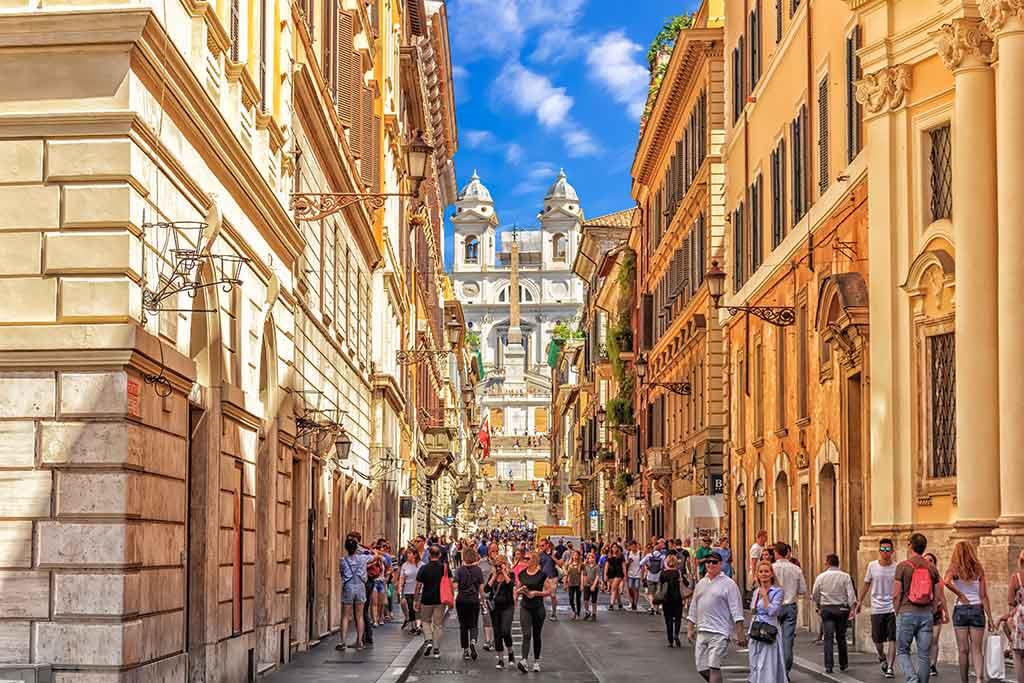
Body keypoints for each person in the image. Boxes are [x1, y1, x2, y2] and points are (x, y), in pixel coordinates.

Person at [686, 550, 746, 683]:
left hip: (720, 632)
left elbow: (736, 610)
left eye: (714, 562)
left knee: (714, 666)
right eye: (708, 562)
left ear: (720, 564)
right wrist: (690, 628)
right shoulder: (701, 583)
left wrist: (740, 633)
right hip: (702, 630)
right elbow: (694, 607)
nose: (710, 564)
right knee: (701, 668)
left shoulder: (729, 584)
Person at [893, 532, 942, 683]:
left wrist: (897, 611)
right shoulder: (932, 568)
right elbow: (937, 593)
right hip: (926, 614)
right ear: (924, 547)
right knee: (924, 654)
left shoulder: (902, 566)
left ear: (910, 545)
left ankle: (912, 679)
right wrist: (932, 609)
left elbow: (896, 593)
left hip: (906, 612)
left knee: (902, 650)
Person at [943, 540, 994, 683]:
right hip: (977, 608)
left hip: (960, 609)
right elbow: (984, 596)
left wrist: (960, 595)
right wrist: (990, 619)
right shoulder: (978, 569)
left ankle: (964, 681)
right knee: (977, 649)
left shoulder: (954, 568)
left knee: (963, 650)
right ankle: (979, 679)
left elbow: (946, 582)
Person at [856, 537, 899, 678]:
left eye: (887, 549)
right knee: (877, 639)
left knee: (893, 638)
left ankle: (891, 667)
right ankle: (881, 657)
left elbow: (900, 587)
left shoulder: (896, 567)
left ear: (892, 551)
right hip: (877, 608)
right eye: (882, 549)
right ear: (879, 550)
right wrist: (859, 602)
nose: (885, 552)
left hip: (891, 608)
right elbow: (866, 584)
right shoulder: (872, 566)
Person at [812, 553, 858, 673]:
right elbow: (851, 595)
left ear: (827, 563)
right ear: (838, 563)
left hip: (827, 609)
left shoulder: (821, 577)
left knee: (828, 637)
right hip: (841, 609)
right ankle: (843, 663)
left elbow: (815, 593)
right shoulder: (845, 576)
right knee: (841, 636)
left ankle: (829, 665)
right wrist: (852, 609)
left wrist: (818, 605)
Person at [748, 560, 787, 682]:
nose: (763, 574)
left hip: (769, 630)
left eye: (766, 571)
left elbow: (773, 611)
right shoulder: (756, 592)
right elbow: (753, 611)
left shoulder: (778, 591)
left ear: (771, 574)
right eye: (761, 571)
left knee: (767, 663)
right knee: (755, 662)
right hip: (756, 630)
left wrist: (765, 596)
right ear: (757, 574)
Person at [771, 541, 807, 675]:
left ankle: (774, 670)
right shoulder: (796, 569)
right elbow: (803, 590)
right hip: (790, 606)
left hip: (774, 606)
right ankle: (785, 671)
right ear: (787, 553)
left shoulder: (771, 568)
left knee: (772, 638)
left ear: (776, 553)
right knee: (788, 640)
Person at [516, 550, 551, 673]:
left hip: (538, 608)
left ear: (535, 560)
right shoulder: (522, 574)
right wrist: (522, 590)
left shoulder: (542, 575)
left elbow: (549, 591)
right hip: (525, 607)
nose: (525, 560)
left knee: (536, 635)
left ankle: (536, 662)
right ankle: (524, 660)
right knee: (526, 634)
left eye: (528, 558)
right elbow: (517, 588)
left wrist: (536, 593)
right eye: (524, 558)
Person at [415, 545, 447, 659]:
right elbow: (450, 584)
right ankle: (436, 648)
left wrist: (416, 599)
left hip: (426, 599)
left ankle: (428, 640)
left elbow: (418, 585)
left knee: (425, 621)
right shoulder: (444, 568)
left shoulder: (424, 568)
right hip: (440, 599)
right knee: (438, 624)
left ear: (429, 555)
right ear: (439, 555)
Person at [339, 537, 371, 651]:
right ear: (356, 547)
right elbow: (376, 556)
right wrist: (363, 549)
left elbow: (342, 574)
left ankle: (342, 642)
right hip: (360, 587)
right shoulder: (363, 559)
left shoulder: (343, 560)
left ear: (346, 548)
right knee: (360, 616)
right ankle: (360, 642)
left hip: (348, 587)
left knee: (345, 616)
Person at [997, 549, 1024, 683]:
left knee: (1018, 655)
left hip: (1021, 618)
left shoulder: (1016, 577)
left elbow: (1011, 601)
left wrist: (1005, 616)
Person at [454, 545, 485, 661]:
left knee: (463, 626)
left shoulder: (459, 570)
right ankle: (473, 641)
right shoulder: (478, 570)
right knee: (473, 623)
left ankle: (466, 650)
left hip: (461, 600)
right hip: (474, 600)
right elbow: (481, 589)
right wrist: (483, 600)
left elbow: (455, 586)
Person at [486, 555, 517, 670]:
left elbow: (511, 586)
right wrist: (494, 576)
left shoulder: (511, 574)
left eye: (500, 565)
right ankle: (500, 659)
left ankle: (510, 652)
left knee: (505, 631)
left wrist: (504, 573)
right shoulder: (492, 575)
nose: (498, 567)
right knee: (497, 633)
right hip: (495, 608)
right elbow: (486, 590)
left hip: (508, 606)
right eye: (496, 565)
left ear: (505, 565)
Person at [924, 552, 949, 677]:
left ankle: (932, 665)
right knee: (924, 640)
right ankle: (925, 663)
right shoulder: (919, 576)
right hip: (923, 610)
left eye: (931, 560)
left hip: (937, 611)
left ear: (935, 563)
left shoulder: (938, 578)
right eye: (926, 560)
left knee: (934, 639)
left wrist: (946, 613)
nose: (928, 562)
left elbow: (942, 597)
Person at [659, 553, 685, 647]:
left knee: (668, 619)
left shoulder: (663, 573)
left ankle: (670, 640)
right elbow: (682, 586)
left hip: (666, 599)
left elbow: (660, 586)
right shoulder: (678, 573)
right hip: (677, 598)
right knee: (678, 619)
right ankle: (676, 634)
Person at [398, 549, 422, 635]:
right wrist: (400, 588)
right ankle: (413, 626)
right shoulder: (405, 565)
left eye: (410, 553)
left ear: (415, 555)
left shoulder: (421, 565)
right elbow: (402, 577)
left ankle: (418, 626)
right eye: (407, 554)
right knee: (411, 608)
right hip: (408, 590)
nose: (408, 555)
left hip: (419, 590)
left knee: (417, 609)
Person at [641, 540, 666, 615]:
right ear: (660, 550)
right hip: (659, 576)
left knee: (650, 593)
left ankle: (652, 607)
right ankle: (657, 609)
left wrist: (647, 566)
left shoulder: (649, 555)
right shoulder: (662, 556)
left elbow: (641, 563)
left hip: (650, 576)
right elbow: (665, 566)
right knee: (657, 593)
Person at [538, 539, 560, 621]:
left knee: (553, 596)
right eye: (540, 546)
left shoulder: (555, 553)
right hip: (543, 578)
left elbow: (561, 563)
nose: (541, 547)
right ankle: (541, 613)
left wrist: (554, 558)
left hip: (553, 577)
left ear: (547, 545)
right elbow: (539, 566)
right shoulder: (540, 554)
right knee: (542, 595)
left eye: (543, 545)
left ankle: (554, 613)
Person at [604, 543, 626, 610]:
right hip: (611, 573)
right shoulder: (609, 556)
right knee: (616, 589)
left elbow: (623, 566)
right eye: (613, 547)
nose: (614, 548)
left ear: (618, 548)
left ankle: (611, 605)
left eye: (615, 547)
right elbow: (606, 566)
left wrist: (625, 575)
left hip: (618, 573)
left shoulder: (621, 555)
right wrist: (605, 575)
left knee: (613, 588)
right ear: (611, 548)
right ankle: (620, 603)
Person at [582, 551, 601, 620]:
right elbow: (584, 575)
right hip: (587, 585)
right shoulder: (585, 566)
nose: (591, 559)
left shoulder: (597, 567)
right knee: (585, 600)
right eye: (589, 558)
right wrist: (584, 583)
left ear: (594, 559)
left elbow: (597, 576)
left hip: (594, 585)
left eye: (592, 558)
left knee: (594, 600)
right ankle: (587, 611)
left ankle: (594, 613)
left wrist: (594, 585)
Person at [626, 540, 643, 611]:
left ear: (636, 546)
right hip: (630, 573)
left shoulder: (640, 553)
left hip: (638, 573)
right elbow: (626, 564)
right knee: (630, 587)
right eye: (632, 547)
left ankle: (635, 603)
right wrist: (628, 562)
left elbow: (642, 564)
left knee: (636, 588)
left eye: (634, 546)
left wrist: (642, 574)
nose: (633, 548)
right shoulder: (628, 554)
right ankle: (632, 599)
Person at [565, 550, 583, 620]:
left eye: (576, 555)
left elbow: (581, 575)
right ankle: (574, 611)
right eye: (574, 555)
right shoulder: (569, 564)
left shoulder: (581, 564)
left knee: (578, 599)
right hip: (571, 583)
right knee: (571, 599)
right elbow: (567, 574)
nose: (575, 556)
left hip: (578, 583)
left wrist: (581, 584)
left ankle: (578, 613)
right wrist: (565, 583)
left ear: (578, 556)